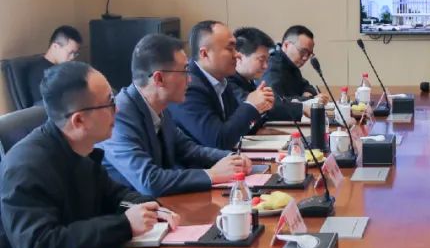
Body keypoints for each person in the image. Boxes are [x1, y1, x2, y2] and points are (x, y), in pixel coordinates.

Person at [0, 62, 178, 248]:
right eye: (109, 102)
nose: (118, 109)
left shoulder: (80, 150)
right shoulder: (25, 167)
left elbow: (116, 196)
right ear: (79, 121)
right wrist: (125, 225)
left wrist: (150, 208)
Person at [100, 34, 251, 197]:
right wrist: (212, 174)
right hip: (129, 207)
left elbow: (187, 149)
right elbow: (149, 181)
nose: (190, 79)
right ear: (159, 78)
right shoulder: (119, 115)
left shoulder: (160, 107)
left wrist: (232, 158)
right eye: (185, 71)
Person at [168, 21, 275, 150]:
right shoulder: (189, 87)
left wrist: (258, 107)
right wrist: (251, 105)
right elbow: (218, 141)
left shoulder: (222, 81)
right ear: (204, 54)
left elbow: (237, 128)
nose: (237, 54)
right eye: (230, 49)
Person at [232, 27, 307, 124]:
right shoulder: (227, 83)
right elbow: (259, 107)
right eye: (261, 59)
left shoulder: (248, 81)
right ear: (239, 57)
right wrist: (302, 109)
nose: (266, 66)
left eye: (267, 60)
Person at [262, 25, 327, 101]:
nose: (305, 58)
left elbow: (307, 86)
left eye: (309, 54)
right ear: (286, 45)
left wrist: (308, 92)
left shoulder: (291, 65)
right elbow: (276, 101)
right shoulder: (271, 66)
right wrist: (309, 99)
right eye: (302, 51)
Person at [23, 25, 83, 106]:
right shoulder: (40, 72)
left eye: (75, 53)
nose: (73, 57)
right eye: (70, 52)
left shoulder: (65, 68)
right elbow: (46, 106)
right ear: (55, 47)